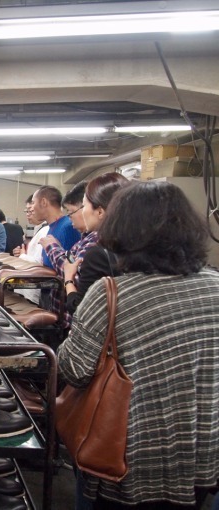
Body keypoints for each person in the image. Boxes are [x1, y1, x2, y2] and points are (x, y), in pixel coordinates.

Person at [58, 180, 219, 509]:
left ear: (121, 229)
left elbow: (74, 369)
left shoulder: (111, 293)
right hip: (205, 453)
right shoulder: (215, 285)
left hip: (130, 459)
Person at [62, 172, 130, 315]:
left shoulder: (98, 253)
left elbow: (80, 311)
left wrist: (68, 279)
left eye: (84, 206)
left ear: (100, 212)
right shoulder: (139, 246)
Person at [38, 182, 98, 326]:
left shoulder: (96, 241)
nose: (70, 217)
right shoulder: (86, 238)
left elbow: (72, 271)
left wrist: (52, 247)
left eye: (71, 212)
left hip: (76, 318)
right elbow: (72, 261)